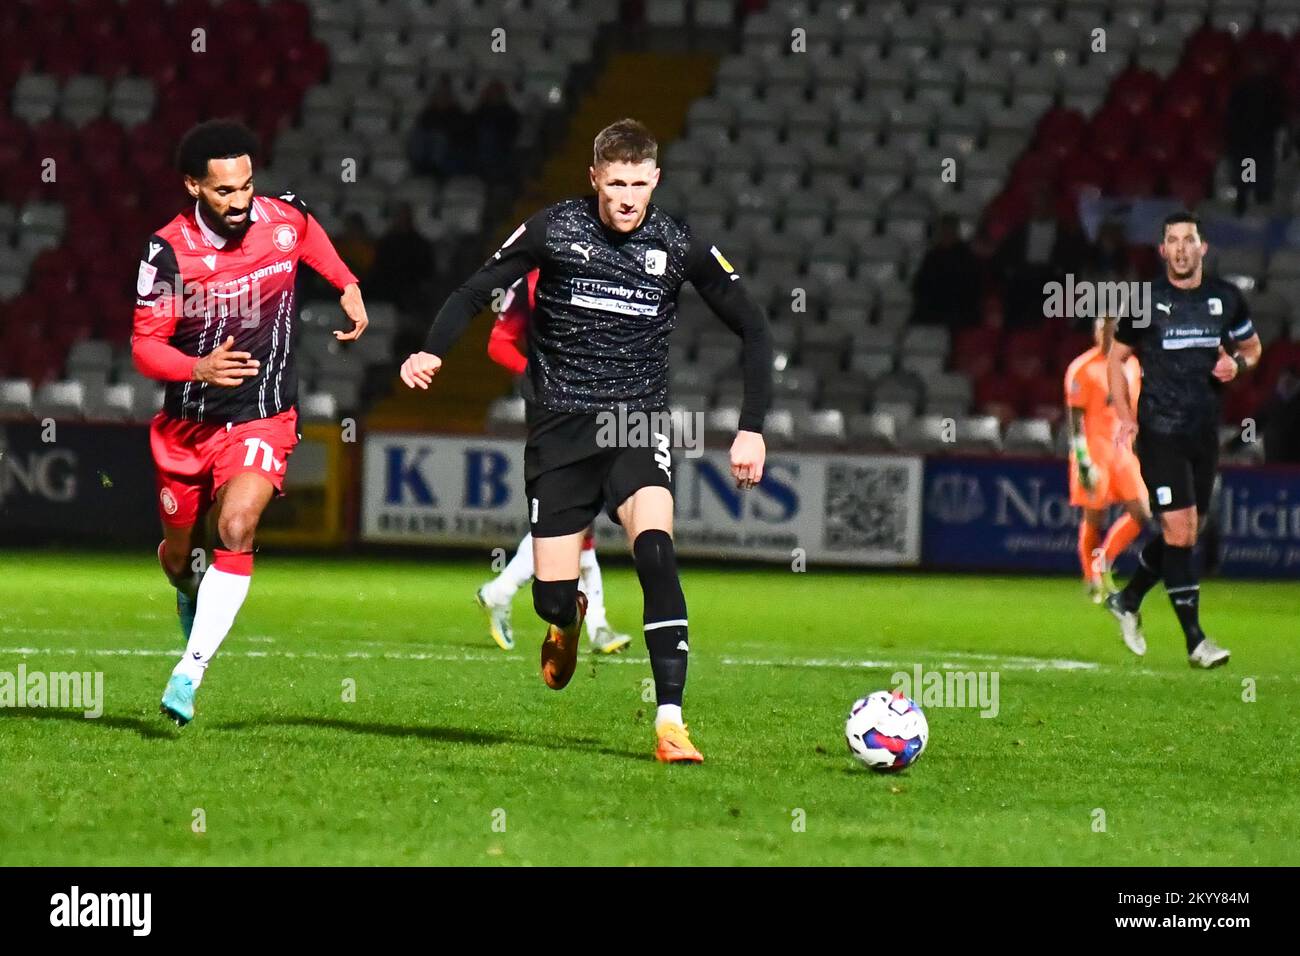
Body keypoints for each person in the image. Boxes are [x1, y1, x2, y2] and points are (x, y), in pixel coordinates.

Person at [399, 118, 772, 762]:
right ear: (594, 177)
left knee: (656, 551)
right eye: (616, 182)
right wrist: (430, 351)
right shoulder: (554, 230)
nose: (628, 196)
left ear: (656, 179)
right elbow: (474, 290)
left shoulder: (678, 242)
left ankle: (670, 720)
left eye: (639, 183)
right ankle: (565, 613)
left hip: (636, 424)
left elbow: (756, 329)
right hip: (561, 428)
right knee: (549, 597)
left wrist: (752, 427)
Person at [132, 120, 368, 724]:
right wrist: (197, 367)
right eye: (223, 192)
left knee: (236, 525)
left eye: (245, 187)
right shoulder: (168, 252)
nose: (239, 202)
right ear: (193, 186)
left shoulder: (281, 219)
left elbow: (310, 238)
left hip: (263, 418)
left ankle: (190, 671)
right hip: (187, 428)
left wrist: (346, 284)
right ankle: (188, 589)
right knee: (181, 560)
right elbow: (145, 346)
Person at [1105, 211, 1261, 667]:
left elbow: (1251, 349)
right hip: (1160, 431)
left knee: (1186, 534)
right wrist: (1125, 417)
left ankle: (1129, 599)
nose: (1180, 248)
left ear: (1202, 247)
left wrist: (1238, 365)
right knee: (1177, 529)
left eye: (1188, 239)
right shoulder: (1145, 300)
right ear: (1162, 250)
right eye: (1171, 240)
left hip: (1203, 433)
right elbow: (1117, 358)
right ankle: (1196, 641)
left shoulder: (1225, 299)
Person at [475, 269, 631, 655]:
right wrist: (540, 376)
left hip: (596, 409)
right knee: (571, 519)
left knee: (579, 521)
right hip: (555, 415)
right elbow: (499, 344)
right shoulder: (528, 284)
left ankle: (505, 594)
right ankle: (594, 625)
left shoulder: (603, 277)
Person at [1063, 315, 1149, 603]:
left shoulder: (1132, 366)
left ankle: (1104, 560)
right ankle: (1091, 577)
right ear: (1095, 333)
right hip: (1095, 450)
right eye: (1103, 331)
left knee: (1142, 512)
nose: (1107, 336)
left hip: (1123, 450)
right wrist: (1082, 458)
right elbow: (1074, 419)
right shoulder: (1082, 368)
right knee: (1094, 515)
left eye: (1113, 332)